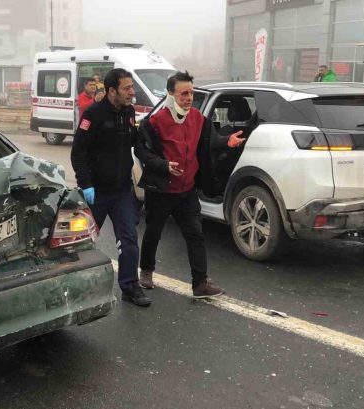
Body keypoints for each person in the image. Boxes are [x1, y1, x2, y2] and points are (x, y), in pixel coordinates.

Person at [134, 71, 245, 298]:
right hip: (162, 190)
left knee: (195, 235)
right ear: (171, 94)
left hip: (187, 190)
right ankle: (146, 271)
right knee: (153, 233)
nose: (188, 97)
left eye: (191, 93)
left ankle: (200, 283)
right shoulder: (155, 121)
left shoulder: (198, 118)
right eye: (184, 93)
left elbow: (211, 141)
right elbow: (141, 151)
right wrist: (164, 165)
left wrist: (227, 141)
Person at [71, 68, 151, 307]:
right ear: (112, 90)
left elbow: (134, 142)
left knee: (128, 241)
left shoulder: (128, 113)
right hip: (96, 193)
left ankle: (130, 287)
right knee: (83, 242)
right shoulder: (93, 115)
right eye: (127, 88)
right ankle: (75, 288)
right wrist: (86, 184)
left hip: (121, 192)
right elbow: (78, 153)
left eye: (132, 87)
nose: (132, 92)